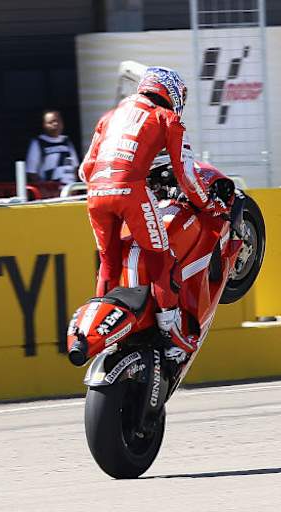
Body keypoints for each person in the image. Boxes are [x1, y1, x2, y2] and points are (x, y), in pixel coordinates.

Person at [79, 66, 214, 360]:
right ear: (172, 92)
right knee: (160, 260)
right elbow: (186, 174)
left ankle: (104, 332)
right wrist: (207, 204)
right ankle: (171, 335)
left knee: (108, 263)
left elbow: (85, 170)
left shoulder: (110, 116)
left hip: (95, 194)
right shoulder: (167, 117)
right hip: (131, 193)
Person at [25, 110, 80, 187]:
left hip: (69, 189)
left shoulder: (67, 141)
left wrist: (74, 187)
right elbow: (31, 172)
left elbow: (75, 167)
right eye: (51, 122)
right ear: (44, 125)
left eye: (58, 121)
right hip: (51, 191)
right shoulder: (38, 142)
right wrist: (44, 190)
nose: (55, 124)